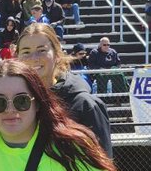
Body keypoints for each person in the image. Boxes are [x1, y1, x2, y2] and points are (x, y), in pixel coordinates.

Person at [16, 25, 113, 155]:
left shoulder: (84, 105)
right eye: (26, 52)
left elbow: (103, 165)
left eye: (41, 50)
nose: (33, 58)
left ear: (57, 53)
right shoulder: (10, 104)